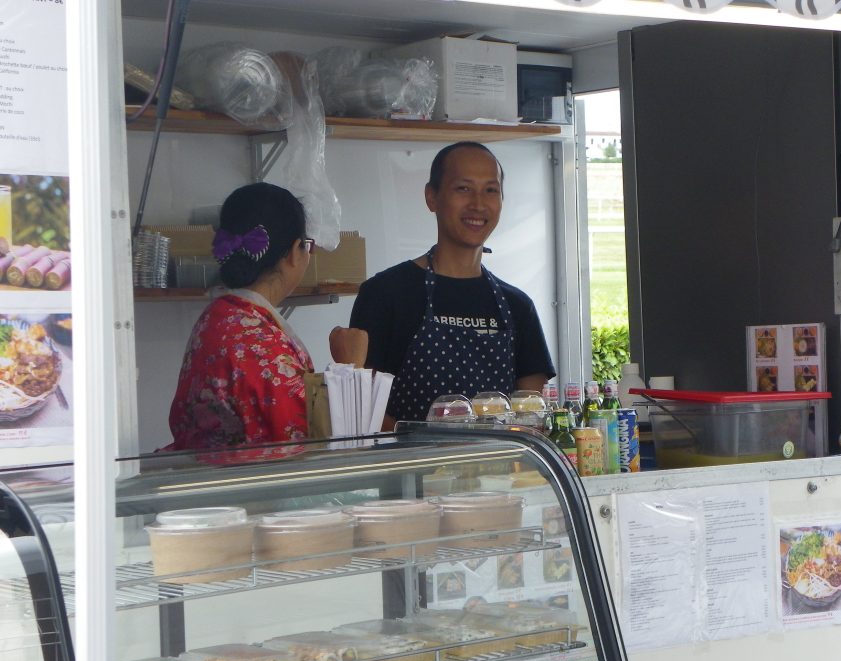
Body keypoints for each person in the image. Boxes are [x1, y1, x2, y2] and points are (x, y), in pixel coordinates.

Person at [350, 141, 555, 426]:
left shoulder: (518, 307)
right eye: (463, 188)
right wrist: (427, 448)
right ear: (431, 197)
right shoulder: (385, 294)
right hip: (407, 454)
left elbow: (530, 416)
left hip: (499, 456)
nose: (478, 204)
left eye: (491, 190)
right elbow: (362, 410)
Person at [167, 182, 315, 450]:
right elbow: (299, 439)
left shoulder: (215, 317)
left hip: (205, 470)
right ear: (295, 252)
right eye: (307, 246)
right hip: (254, 474)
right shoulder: (263, 343)